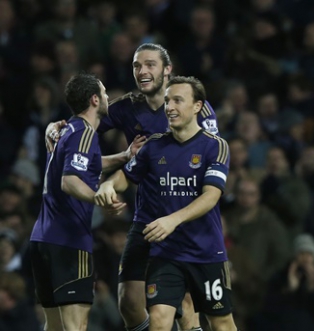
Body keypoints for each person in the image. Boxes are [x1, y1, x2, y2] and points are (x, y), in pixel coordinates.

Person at [46, 43, 218, 331]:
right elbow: (82, 124)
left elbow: (209, 156)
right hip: (146, 217)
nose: (142, 71)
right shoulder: (126, 108)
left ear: (167, 70)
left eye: (150, 64)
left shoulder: (194, 107)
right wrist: (54, 127)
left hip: (185, 218)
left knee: (186, 304)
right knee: (129, 301)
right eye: (137, 65)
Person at [95, 76, 238, 331]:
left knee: (222, 323)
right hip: (165, 253)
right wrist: (108, 184)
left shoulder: (216, 147)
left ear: (197, 106)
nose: (169, 107)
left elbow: (211, 196)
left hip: (204, 252)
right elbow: (126, 176)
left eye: (178, 101)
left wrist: (173, 219)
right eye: (168, 101)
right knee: (159, 320)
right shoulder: (153, 145)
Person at [29, 73, 125, 331]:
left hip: (42, 240)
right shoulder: (85, 132)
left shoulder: (65, 131)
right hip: (69, 241)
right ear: (94, 99)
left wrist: (126, 155)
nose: (107, 97)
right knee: (76, 327)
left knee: (54, 327)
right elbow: (70, 180)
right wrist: (99, 198)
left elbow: (90, 163)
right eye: (104, 93)